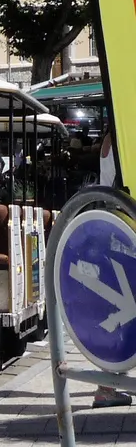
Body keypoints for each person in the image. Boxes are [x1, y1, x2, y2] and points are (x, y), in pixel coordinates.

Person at [93, 128, 131, 408]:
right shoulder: (124, 138)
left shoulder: (111, 139)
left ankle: (107, 385)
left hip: (115, 226)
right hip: (125, 228)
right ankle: (106, 386)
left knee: (122, 310)